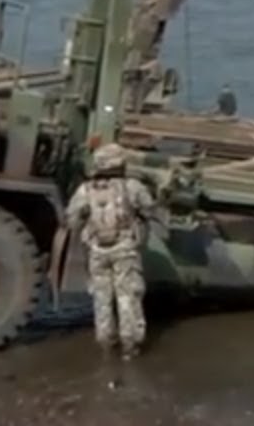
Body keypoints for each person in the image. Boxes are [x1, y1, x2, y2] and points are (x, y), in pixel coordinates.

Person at [65, 143, 156, 360]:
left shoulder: (85, 190)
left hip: (97, 251)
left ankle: (106, 342)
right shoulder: (132, 187)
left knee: (101, 298)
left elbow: (71, 219)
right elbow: (150, 209)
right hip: (125, 249)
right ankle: (130, 345)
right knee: (127, 297)